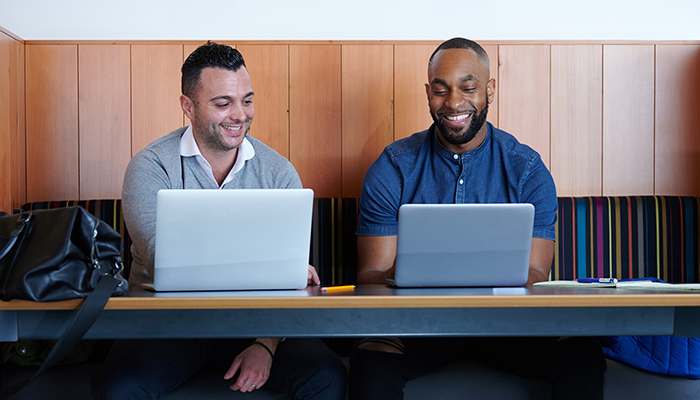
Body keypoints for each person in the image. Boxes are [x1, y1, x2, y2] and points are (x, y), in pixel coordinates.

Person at [348, 38, 606, 400]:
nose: (454, 102)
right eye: (440, 90)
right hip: (416, 325)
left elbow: (535, 275)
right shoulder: (393, 167)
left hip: (506, 326)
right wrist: (413, 273)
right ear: (427, 93)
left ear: (490, 90)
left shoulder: (527, 170)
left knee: (582, 355)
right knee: (371, 364)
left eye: (468, 88)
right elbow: (370, 276)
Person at [97, 42, 347, 400]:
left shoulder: (278, 171)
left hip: (255, 323)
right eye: (223, 103)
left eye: (246, 100)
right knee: (121, 389)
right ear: (188, 106)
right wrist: (271, 266)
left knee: (327, 378)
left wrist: (266, 343)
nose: (240, 114)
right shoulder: (151, 167)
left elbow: (292, 284)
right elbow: (162, 259)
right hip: (167, 325)